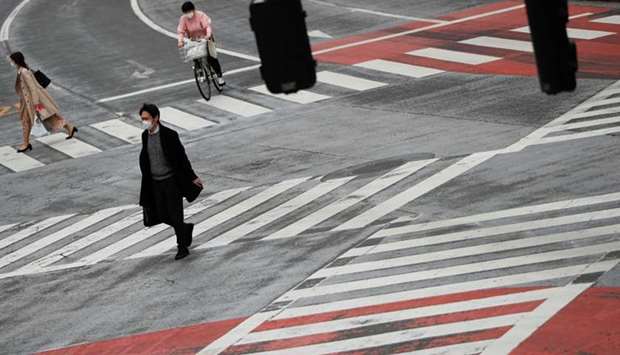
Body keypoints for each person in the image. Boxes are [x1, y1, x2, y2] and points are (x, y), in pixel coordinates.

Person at [138, 103, 204, 260]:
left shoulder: (170, 135)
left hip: (171, 181)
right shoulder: (144, 136)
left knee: (175, 215)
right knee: (161, 214)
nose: (144, 122)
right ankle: (185, 229)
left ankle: (182, 247)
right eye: (142, 119)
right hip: (155, 183)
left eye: (146, 118)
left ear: (156, 118)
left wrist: (193, 176)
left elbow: (182, 158)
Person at [9, 52, 78, 153]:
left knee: (48, 117)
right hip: (27, 102)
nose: (10, 62)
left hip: (33, 102)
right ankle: (26, 143)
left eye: (11, 60)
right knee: (27, 120)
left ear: (16, 61)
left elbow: (33, 88)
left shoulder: (24, 72)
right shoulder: (22, 70)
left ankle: (26, 143)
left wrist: (36, 104)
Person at [177, 1, 226, 86]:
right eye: (186, 12)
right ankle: (199, 70)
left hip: (205, 37)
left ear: (193, 10)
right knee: (194, 55)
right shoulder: (183, 19)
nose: (189, 14)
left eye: (190, 11)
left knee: (211, 57)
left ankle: (219, 77)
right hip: (194, 39)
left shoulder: (200, 15)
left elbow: (207, 27)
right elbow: (181, 31)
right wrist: (180, 41)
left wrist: (208, 35)